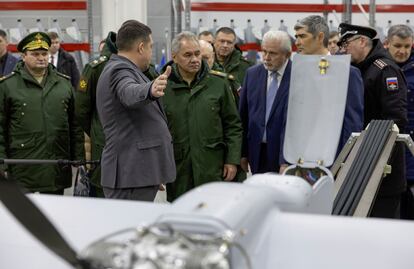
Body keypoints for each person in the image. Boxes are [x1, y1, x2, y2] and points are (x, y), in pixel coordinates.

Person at [96, 20, 175, 201]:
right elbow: (129, 92)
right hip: (129, 175)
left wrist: (152, 171)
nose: (150, 53)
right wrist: (150, 89)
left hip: (137, 173)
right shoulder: (119, 69)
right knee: (127, 227)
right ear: (140, 47)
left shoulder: (125, 68)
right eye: (150, 47)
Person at [161, 32, 243, 201]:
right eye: (188, 55)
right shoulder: (163, 88)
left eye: (197, 54)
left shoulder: (218, 84)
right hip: (178, 169)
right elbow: (155, 132)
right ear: (174, 57)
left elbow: (233, 125)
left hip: (212, 166)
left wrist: (232, 160)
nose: (195, 59)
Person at [0, 32, 84, 194]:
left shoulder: (63, 84)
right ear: (23, 56)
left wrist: (78, 157)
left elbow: (75, 124)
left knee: (54, 215)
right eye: (35, 54)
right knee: (24, 216)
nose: (41, 57)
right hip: (23, 167)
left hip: (56, 165)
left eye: (44, 53)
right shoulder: (8, 86)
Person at [338, 22, 408, 218]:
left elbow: (395, 120)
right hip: (361, 166)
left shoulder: (384, 70)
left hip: (382, 169)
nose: (342, 50)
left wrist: (374, 158)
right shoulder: (358, 69)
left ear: (362, 42)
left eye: (346, 44)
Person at [294, 16, 364, 158]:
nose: (297, 42)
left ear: (320, 37)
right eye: (296, 37)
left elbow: (352, 123)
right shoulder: (296, 71)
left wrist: (344, 162)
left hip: (333, 158)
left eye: (302, 36)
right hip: (299, 157)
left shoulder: (347, 73)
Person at [239, 30, 292, 174]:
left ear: (287, 54)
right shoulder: (252, 74)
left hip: (285, 156)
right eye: (264, 52)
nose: (266, 58)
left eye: (273, 53)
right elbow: (243, 117)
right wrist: (243, 153)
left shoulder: (297, 77)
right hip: (257, 152)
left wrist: (286, 160)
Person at [75, 31, 118, 198]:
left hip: (122, 144)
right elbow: (81, 108)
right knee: (103, 191)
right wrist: (96, 128)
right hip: (103, 143)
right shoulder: (96, 67)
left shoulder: (141, 65)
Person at [384, 24, 414, 219]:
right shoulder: (379, 67)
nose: (402, 51)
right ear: (387, 44)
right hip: (386, 147)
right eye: (398, 46)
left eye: (407, 46)